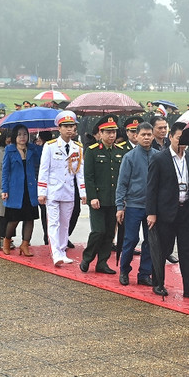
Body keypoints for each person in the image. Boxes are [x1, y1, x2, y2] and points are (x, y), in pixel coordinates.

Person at [146, 121, 189, 300]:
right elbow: (151, 188)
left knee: (187, 251)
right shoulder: (159, 158)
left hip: (185, 211)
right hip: (165, 212)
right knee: (163, 250)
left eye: (185, 138)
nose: (182, 141)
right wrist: (152, 213)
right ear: (171, 137)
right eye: (179, 137)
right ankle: (158, 283)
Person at [37, 111, 86, 265]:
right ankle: (56, 253)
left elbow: (79, 172)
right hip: (52, 190)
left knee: (65, 223)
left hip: (69, 191)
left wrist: (83, 192)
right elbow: (44, 170)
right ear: (59, 128)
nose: (69, 129)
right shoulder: (50, 146)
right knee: (53, 223)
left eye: (72, 126)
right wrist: (42, 192)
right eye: (66, 126)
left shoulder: (77, 147)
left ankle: (63, 251)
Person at [80, 116, 125, 275]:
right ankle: (87, 257)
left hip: (114, 199)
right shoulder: (92, 151)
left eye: (113, 132)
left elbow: (122, 177)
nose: (111, 135)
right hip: (98, 199)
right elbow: (89, 176)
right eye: (108, 132)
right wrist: (92, 196)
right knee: (98, 231)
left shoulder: (120, 151)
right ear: (100, 133)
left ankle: (102, 262)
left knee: (109, 233)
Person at [116, 122, 157, 287]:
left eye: (149, 135)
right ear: (136, 136)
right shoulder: (129, 157)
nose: (146, 138)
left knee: (150, 241)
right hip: (133, 205)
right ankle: (124, 270)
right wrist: (119, 206)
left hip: (151, 208)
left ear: (153, 136)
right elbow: (122, 184)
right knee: (131, 239)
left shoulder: (158, 156)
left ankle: (144, 274)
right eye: (143, 135)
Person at [2, 125, 41, 258]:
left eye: (25, 134)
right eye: (19, 134)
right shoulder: (9, 150)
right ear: (15, 136)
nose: (22, 137)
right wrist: (5, 189)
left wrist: (39, 145)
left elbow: (41, 159)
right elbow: (5, 172)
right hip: (15, 190)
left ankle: (25, 244)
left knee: (30, 218)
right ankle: (7, 241)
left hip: (30, 189)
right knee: (14, 219)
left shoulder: (32, 149)